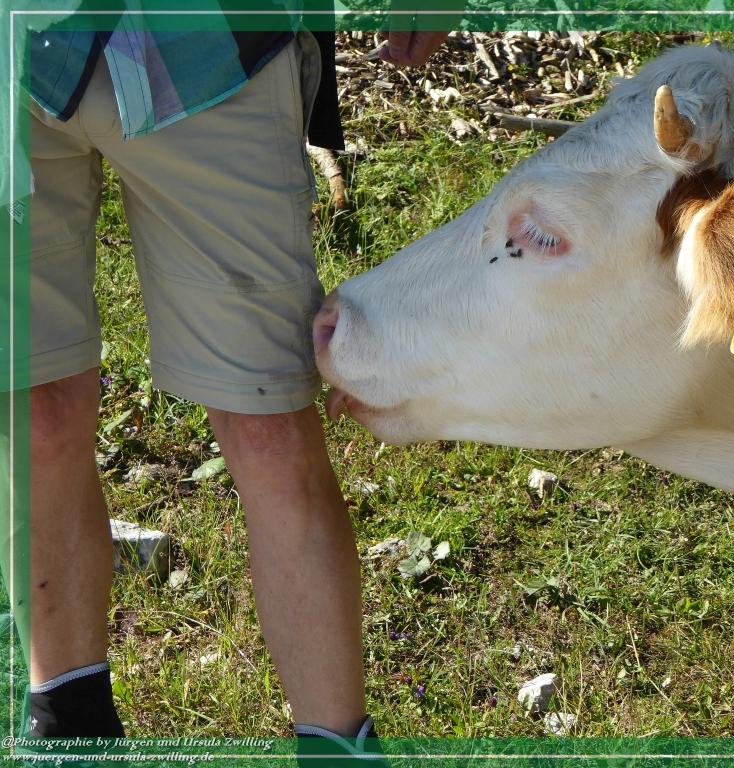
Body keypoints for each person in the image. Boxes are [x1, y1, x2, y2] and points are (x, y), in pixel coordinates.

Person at [13, 1, 447, 759]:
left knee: (268, 427)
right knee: (33, 409)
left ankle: (338, 748)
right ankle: (67, 730)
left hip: (205, 44)